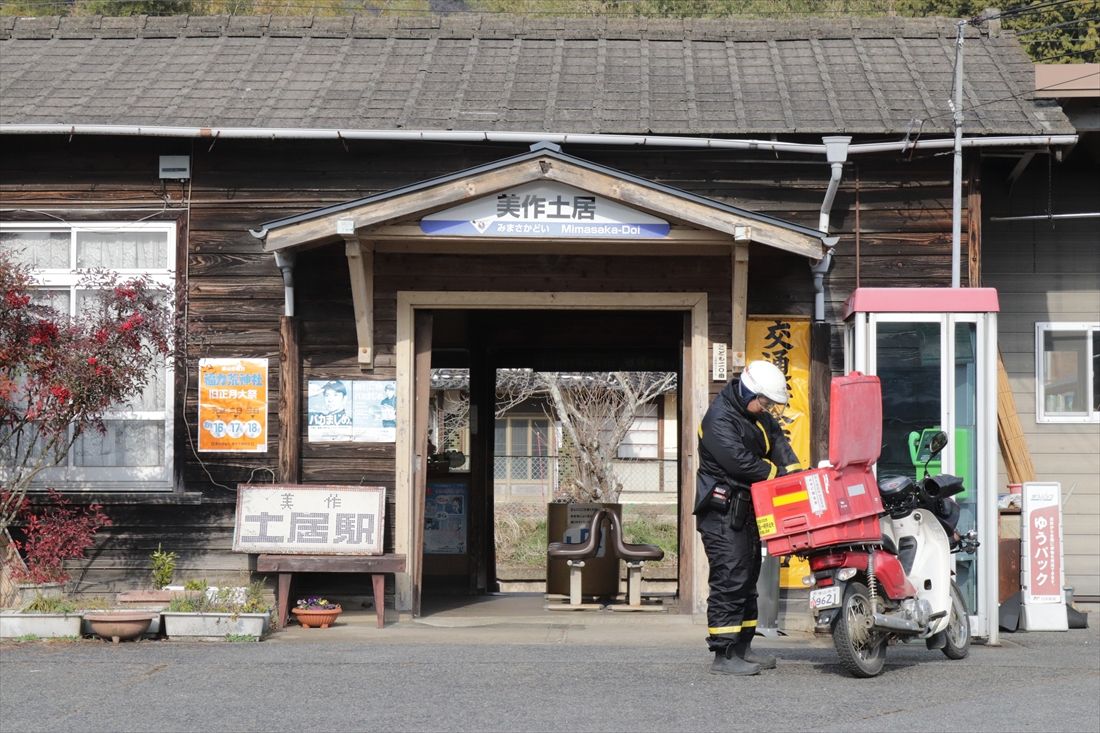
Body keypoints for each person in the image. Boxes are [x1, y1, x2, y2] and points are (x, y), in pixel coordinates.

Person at [694, 360, 801, 676]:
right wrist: (777, 474)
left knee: (747, 579)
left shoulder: (756, 414)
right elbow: (741, 464)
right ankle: (723, 655)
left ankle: (743, 647)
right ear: (748, 392)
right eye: (764, 401)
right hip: (722, 513)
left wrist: (794, 473)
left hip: (748, 509)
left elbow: (779, 442)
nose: (766, 408)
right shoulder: (718, 420)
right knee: (730, 578)